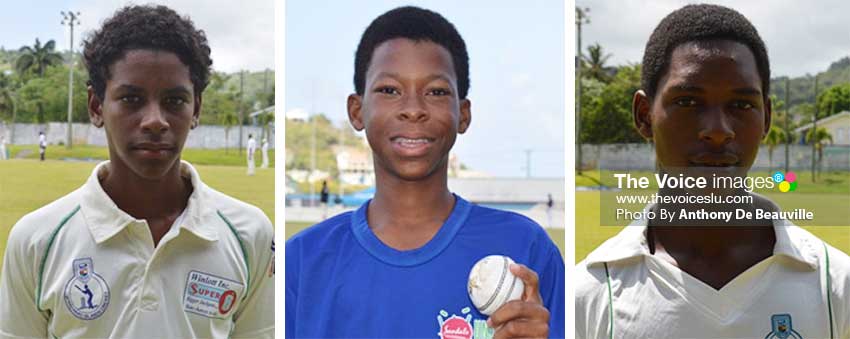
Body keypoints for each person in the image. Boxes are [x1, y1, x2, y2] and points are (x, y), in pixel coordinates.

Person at [286, 6, 564, 339]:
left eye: (436, 92)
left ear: (463, 114)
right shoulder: (303, 261)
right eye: (390, 90)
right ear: (357, 111)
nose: (414, 109)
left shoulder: (526, 247)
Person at [575, 4, 850, 338]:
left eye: (741, 105)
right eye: (688, 102)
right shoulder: (588, 295)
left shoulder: (835, 285)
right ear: (644, 115)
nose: (718, 130)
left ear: (766, 117)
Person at [0, 5, 274, 338]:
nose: (155, 120)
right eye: (131, 99)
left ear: (196, 108)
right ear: (96, 106)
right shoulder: (35, 240)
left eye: (174, 100)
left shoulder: (250, 234)